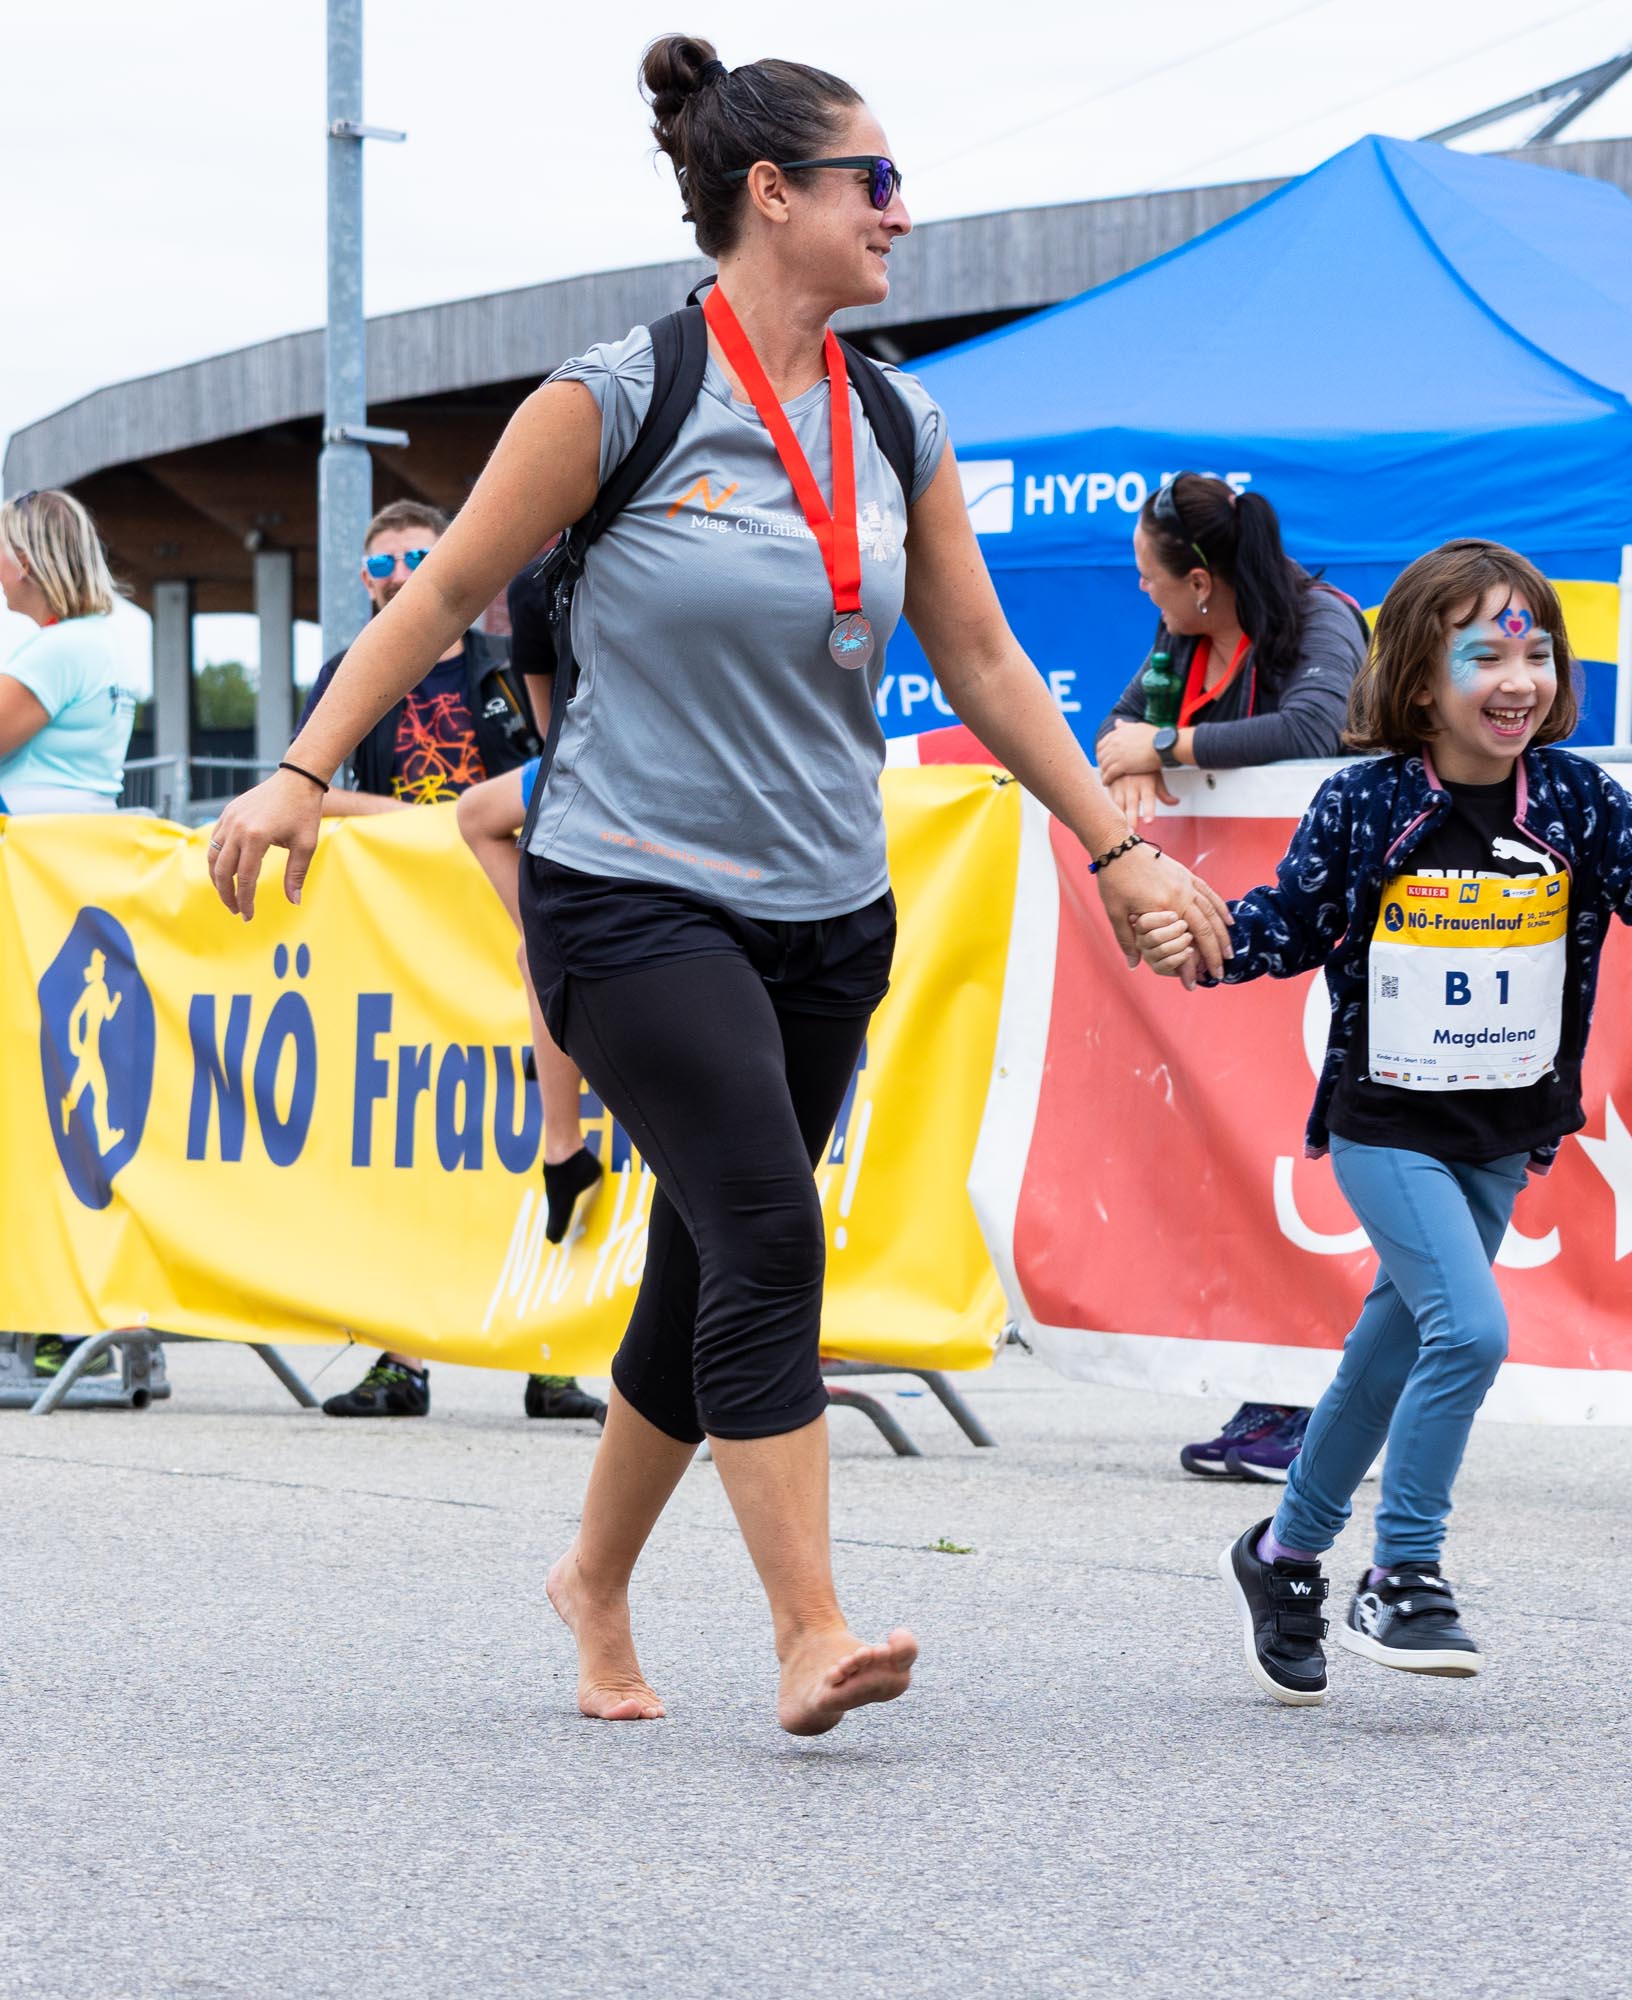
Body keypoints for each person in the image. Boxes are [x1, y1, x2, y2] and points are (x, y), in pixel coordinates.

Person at [205, 33, 1231, 1737]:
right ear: (773, 194)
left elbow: (983, 660)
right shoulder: (617, 399)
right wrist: (302, 771)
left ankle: (593, 1580)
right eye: (872, 180)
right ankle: (810, 1630)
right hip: (627, 895)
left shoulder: (897, 420)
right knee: (767, 1226)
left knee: (706, 1260)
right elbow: (441, 596)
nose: (900, 211)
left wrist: (1115, 852)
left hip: (826, 913)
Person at [1131, 539, 1632, 1705]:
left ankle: (1284, 1552)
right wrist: (1204, 941)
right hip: (1386, 1123)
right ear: (1418, 678)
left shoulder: (1574, 799)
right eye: (1485, 655)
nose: (1519, 678)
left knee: (1390, 1349)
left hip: (1506, 1131)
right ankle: (1405, 1570)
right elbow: (1287, 921)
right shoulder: (1367, 802)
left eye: (1537, 653)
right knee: (1471, 1331)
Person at [301, 501, 608, 1426]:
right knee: (409, 1156)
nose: (399, 575)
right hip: (408, 950)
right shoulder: (348, 675)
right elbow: (306, 791)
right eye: (380, 564)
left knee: (537, 1146)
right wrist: (421, 822)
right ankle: (400, 1361)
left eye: (419, 556)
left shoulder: (505, 662)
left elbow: (553, 780)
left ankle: (553, 1358)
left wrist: (448, 821)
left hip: (514, 934)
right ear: (363, 581)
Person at [1095, 472, 1368, 1483]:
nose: (1143, 592)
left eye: (1150, 577)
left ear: (1201, 581)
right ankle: (1277, 1387)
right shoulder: (1179, 642)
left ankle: (1325, 1407)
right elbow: (1116, 731)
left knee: (1319, 1174)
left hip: (1326, 936)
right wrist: (1136, 757)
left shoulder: (1321, 619)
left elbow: (1310, 731)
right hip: (1240, 940)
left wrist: (1163, 746)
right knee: (1252, 1162)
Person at [3, 489, 146, 1386]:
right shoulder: (102, 642)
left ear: (29, 559)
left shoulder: (57, 650)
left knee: (41, 1103)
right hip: (73, 885)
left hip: (38, 894)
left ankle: (55, 1319)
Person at [450, 552, 602, 1249]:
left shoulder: (537, 583)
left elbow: (554, 732)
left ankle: (563, 1148)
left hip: (605, 767)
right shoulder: (538, 585)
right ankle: (563, 1148)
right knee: (538, 948)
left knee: (539, 950)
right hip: (632, 766)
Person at [0, 489, 140, 817]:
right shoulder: (100, 640)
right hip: (73, 826)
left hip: (27, 830)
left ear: (23, 562)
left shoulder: (59, 649)